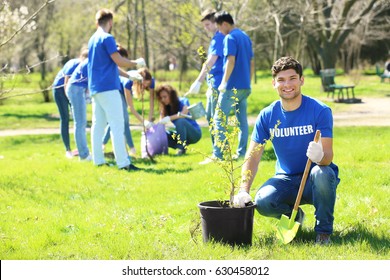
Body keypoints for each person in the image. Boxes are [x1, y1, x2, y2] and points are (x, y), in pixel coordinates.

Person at [235, 56, 340, 245]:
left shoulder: (320, 111)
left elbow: (328, 156)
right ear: (274, 83)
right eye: (281, 80)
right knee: (264, 200)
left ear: (301, 80)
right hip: (286, 179)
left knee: (323, 173)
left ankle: (323, 233)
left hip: (316, 178)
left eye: (292, 78)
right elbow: (253, 156)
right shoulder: (267, 115)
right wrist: (244, 190)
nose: (287, 84)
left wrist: (320, 157)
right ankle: (295, 215)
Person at [88, 8, 145, 170]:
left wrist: (129, 76)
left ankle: (98, 161)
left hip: (96, 88)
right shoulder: (107, 38)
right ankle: (124, 163)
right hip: (108, 87)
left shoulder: (92, 39)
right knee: (117, 125)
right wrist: (136, 63)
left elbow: (110, 64)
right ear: (110, 22)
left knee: (98, 125)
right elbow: (118, 60)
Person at [203, 11, 254, 163]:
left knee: (218, 119)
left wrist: (224, 83)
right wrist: (248, 81)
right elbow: (252, 62)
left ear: (224, 24)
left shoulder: (229, 37)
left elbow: (230, 61)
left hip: (232, 87)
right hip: (245, 86)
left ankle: (220, 155)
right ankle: (242, 153)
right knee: (242, 121)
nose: (219, 31)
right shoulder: (245, 36)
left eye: (219, 27)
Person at [187, 8, 224, 152]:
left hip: (217, 82)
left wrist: (198, 81)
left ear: (215, 23)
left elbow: (210, 62)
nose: (206, 28)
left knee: (215, 117)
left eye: (208, 24)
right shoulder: (215, 38)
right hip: (212, 82)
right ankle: (217, 150)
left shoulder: (219, 38)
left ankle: (219, 151)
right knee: (210, 116)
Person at [52, 47, 88, 158]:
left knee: (78, 120)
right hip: (60, 90)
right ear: (81, 57)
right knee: (65, 118)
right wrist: (71, 100)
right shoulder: (74, 64)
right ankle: (67, 149)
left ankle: (80, 147)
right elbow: (66, 83)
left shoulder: (86, 67)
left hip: (72, 91)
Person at [156, 85, 201, 155]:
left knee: (180, 121)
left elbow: (183, 113)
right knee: (162, 133)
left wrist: (169, 118)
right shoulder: (165, 107)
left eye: (165, 97)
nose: (163, 100)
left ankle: (181, 148)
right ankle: (163, 149)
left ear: (171, 95)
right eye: (161, 98)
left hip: (194, 134)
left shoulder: (183, 101)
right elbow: (160, 122)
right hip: (181, 135)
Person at [66, 52, 92, 161]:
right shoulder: (91, 61)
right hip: (76, 89)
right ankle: (84, 155)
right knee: (80, 122)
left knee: (81, 122)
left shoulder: (92, 60)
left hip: (78, 89)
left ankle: (84, 153)